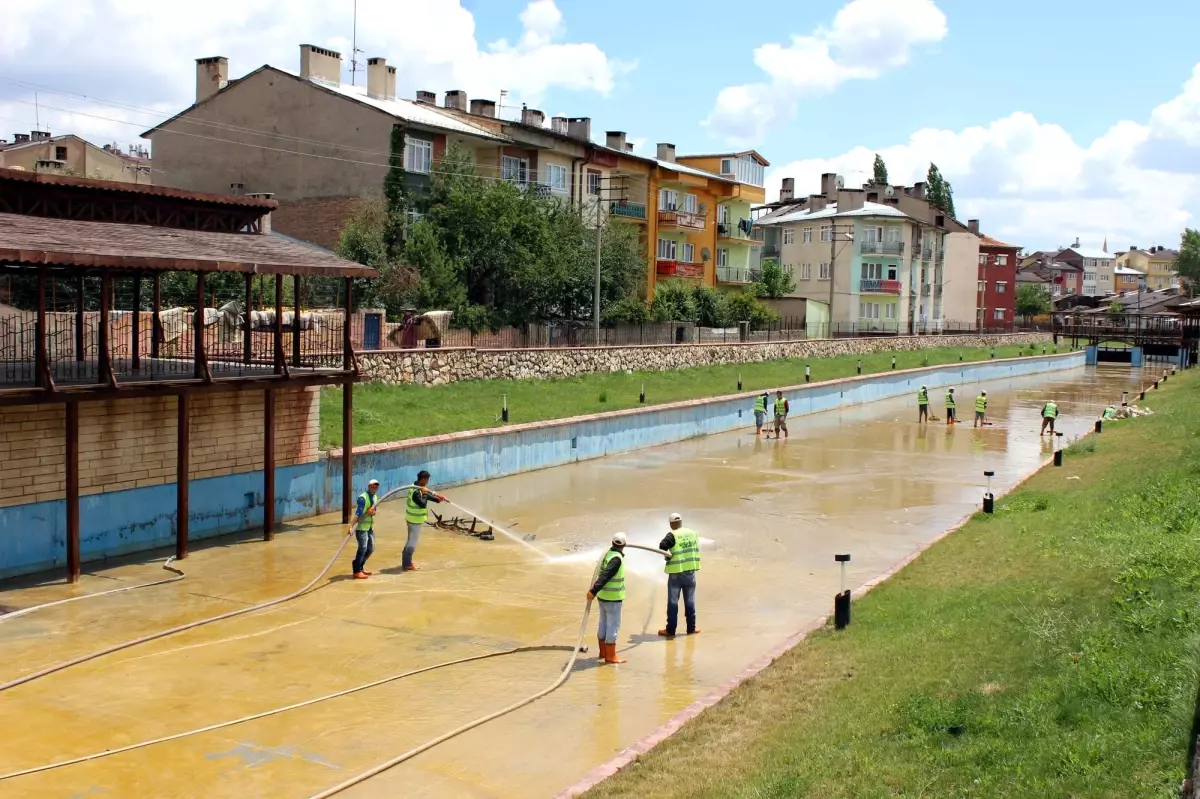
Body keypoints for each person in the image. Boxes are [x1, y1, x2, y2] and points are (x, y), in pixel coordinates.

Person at [587, 532, 628, 665]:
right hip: (613, 599)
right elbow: (605, 575)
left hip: (603, 597)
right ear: (624, 545)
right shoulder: (616, 559)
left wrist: (594, 592)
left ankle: (603, 652)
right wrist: (593, 591)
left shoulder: (607, 554)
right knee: (613, 626)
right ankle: (610, 656)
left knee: (603, 624)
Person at [658, 513, 700, 638]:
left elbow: (662, 546)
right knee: (690, 601)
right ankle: (691, 628)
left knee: (673, 602)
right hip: (690, 572)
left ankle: (670, 631)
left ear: (671, 524)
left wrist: (667, 556)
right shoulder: (692, 533)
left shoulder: (672, 535)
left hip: (676, 573)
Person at [403, 470, 445, 571]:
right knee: (412, 542)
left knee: (409, 540)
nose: (427, 482)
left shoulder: (415, 486)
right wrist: (425, 493)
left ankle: (406, 562)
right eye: (427, 479)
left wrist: (437, 499)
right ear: (423, 479)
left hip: (411, 519)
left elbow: (424, 494)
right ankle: (407, 564)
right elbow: (422, 503)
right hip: (415, 521)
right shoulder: (416, 491)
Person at [349, 479, 381, 579]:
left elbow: (374, 511)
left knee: (370, 548)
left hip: (370, 527)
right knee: (362, 548)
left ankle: (360, 566)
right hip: (361, 527)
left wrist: (372, 512)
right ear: (368, 486)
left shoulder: (375, 497)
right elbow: (358, 513)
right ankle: (357, 570)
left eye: (376, 487)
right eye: (373, 486)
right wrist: (351, 526)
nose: (374, 488)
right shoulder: (363, 498)